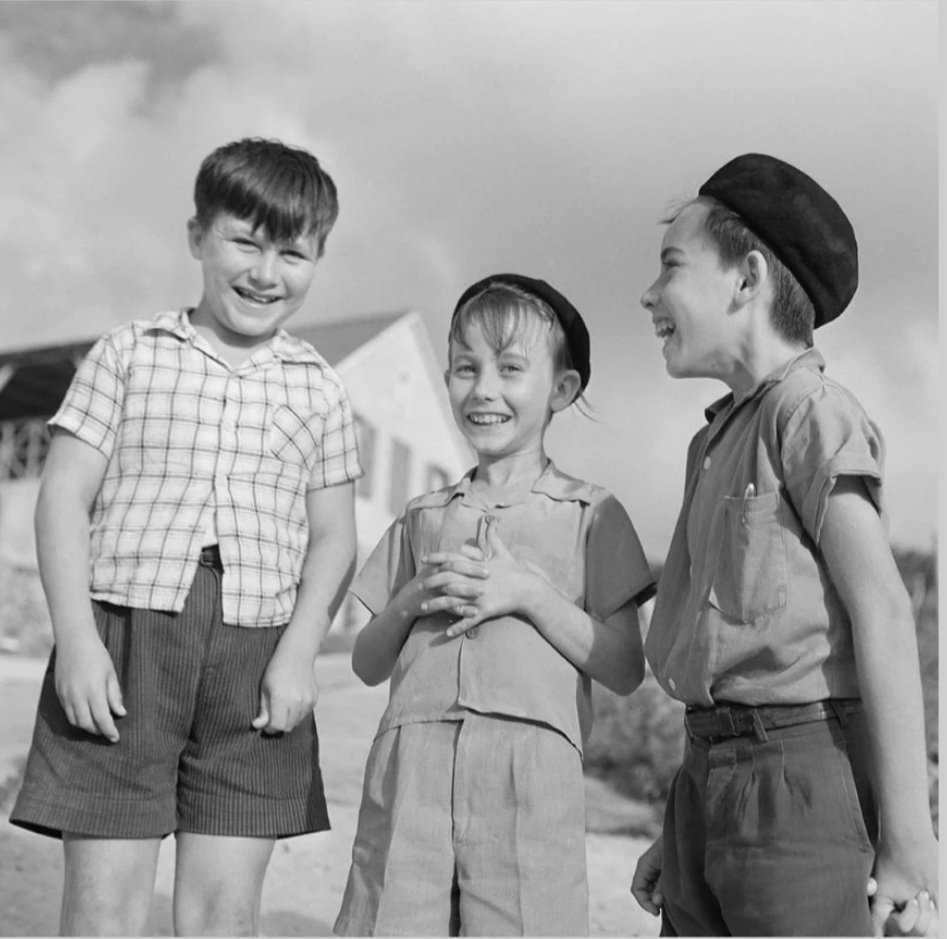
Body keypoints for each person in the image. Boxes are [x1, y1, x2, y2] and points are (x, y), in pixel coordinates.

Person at [10, 137, 362, 936]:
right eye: (245, 241)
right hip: (124, 638)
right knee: (103, 909)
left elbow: (335, 538)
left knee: (221, 913)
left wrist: (301, 651)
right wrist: (76, 642)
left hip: (257, 656)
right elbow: (62, 496)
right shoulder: (128, 354)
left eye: (293, 253)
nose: (265, 272)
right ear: (197, 235)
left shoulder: (319, 388)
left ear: (318, 258)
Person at [629, 153, 938, 936]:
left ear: (746, 278)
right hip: (708, 774)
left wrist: (907, 836)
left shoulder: (810, 413)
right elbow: (722, 656)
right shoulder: (712, 442)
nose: (647, 294)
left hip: (798, 779)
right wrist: (682, 822)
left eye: (670, 266)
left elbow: (882, 614)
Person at [333, 273, 656, 936]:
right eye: (464, 367)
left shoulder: (592, 514)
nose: (483, 388)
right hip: (410, 766)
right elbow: (367, 662)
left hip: (530, 776)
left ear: (561, 389)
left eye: (510, 368)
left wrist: (530, 594)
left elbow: (624, 666)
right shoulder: (421, 516)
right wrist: (409, 600)